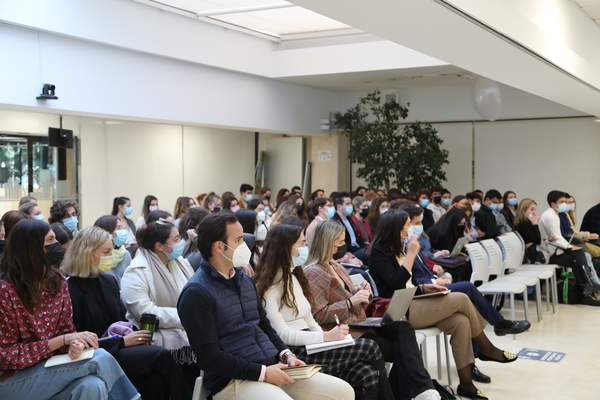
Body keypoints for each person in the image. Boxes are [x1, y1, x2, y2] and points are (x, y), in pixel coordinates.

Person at [177, 213, 354, 400]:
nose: (245, 245)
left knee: (344, 392)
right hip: (233, 380)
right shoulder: (196, 293)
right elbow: (208, 357)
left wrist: (285, 354)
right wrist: (263, 373)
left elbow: (263, 324)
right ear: (219, 246)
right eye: (238, 240)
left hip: (271, 364)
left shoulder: (243, 279)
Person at [367, 210, 519, 400]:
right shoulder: (379, 251)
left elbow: (409, 284)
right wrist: (411, 255)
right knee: (462, 298)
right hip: (398, 311)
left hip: (414, 300)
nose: (410, 229)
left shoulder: (400, 247)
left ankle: (466, 385)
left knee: (461, 321)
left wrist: (424, 287)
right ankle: (486, 348)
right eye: (406, 225)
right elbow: (396, 284)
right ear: (396, 229)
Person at [0, 219, 140, 400]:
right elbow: (6, 356)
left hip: (52, 368)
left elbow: (67, 331)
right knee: (100, 358)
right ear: (31, 248)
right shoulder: (5, 292)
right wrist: (61, 341)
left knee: (92, 385)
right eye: (50, 241)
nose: (57, 245)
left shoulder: (57, 281)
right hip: (12, 380)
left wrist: (74, 345)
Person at [304, 219, 441, 400]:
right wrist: (351, 301)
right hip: (344, 330)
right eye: (340, 242)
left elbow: (349, 299)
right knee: (404, 351)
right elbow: (318, 315)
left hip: (359, 321)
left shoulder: (335, 265)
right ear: (327, 243)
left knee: (403, 328)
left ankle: (421, 390)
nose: (344, 245)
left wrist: (361, 294)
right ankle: (420, 390)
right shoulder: (314, 272)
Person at [254, 223, 393, 400]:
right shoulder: (269, 288)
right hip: (294, 353)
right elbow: (281, 334)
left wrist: (326, 342)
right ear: (287, 248)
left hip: (311, 344)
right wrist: (325, 338)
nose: (307, 248)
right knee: (371, 347)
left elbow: (310, 320)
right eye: (303, 243)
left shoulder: (294, 276)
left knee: (366, 373)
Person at [63, 226, 192, 400]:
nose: (112, 256)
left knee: (156, 380)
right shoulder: (69, 290)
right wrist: (123, 342)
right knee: (160, 355)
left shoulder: (108, 281)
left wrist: (137, 336)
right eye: (107, 251)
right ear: (88, 253)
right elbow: (77, 339)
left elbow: (121, 321)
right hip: (96, 354)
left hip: (117, 347)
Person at [120, 219, 198, 384]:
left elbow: (195, 295)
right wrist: (187, 317)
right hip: (153, 335)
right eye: (176, 239)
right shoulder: (136, 271)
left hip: (189, 327)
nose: (180, 242)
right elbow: (145, 311)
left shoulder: (182, 263)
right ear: (159, 246)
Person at [94, 215, 133, 284]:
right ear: (106, 231)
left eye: (122, 227)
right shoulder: (96, 256)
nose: (123, 231)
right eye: (118, 228)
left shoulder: (125, 254)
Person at [513, 198, 546, 264]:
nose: (534, 212)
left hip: (533, 251)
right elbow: (537, 240)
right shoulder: (522, 224)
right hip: (530, 255)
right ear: (524, 210)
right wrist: (535, 224)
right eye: (532, 209)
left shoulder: (528, 222)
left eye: (535, 209)